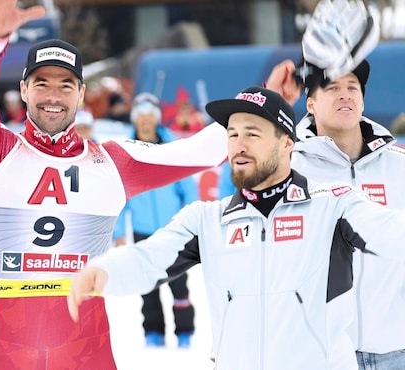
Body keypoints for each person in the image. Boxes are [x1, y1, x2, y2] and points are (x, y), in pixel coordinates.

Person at [0, 0, 231, 369]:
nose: (54, 96)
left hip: (87, 353)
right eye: (42, 84)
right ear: (24, 89)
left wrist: (264, 110)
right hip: (10, 353)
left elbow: (201, 151)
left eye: (66, 85)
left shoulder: (113, 163)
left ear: (82, 94)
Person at [69, 85, 405, 370]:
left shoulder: (333, 206)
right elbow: (147, 259)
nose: (238, 145)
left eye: (252, 134)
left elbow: (391, 232)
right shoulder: (207, 220)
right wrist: (101, 271)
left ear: (287, 143)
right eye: (232, 135)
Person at [269, 57, 405, 369]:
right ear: (311, 103)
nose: (345, 94)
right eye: (332, 88)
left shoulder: (399, 167)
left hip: (397, 351)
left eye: (352, 87)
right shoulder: (288, 169)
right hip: (318, 354)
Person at [112, 92, 200, 348]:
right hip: (142, 231)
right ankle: (153, 332)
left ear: (157, 119)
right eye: (141, 117)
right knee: (147, 285)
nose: (146, 121)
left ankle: (185, 331)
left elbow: (189, 190)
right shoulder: (127, 152)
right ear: (136, 121)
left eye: (151, 116)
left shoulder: (173, 148)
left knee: (179, 283)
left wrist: (191, 223)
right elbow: (121, 196)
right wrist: (118, 231)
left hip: (173, 230)